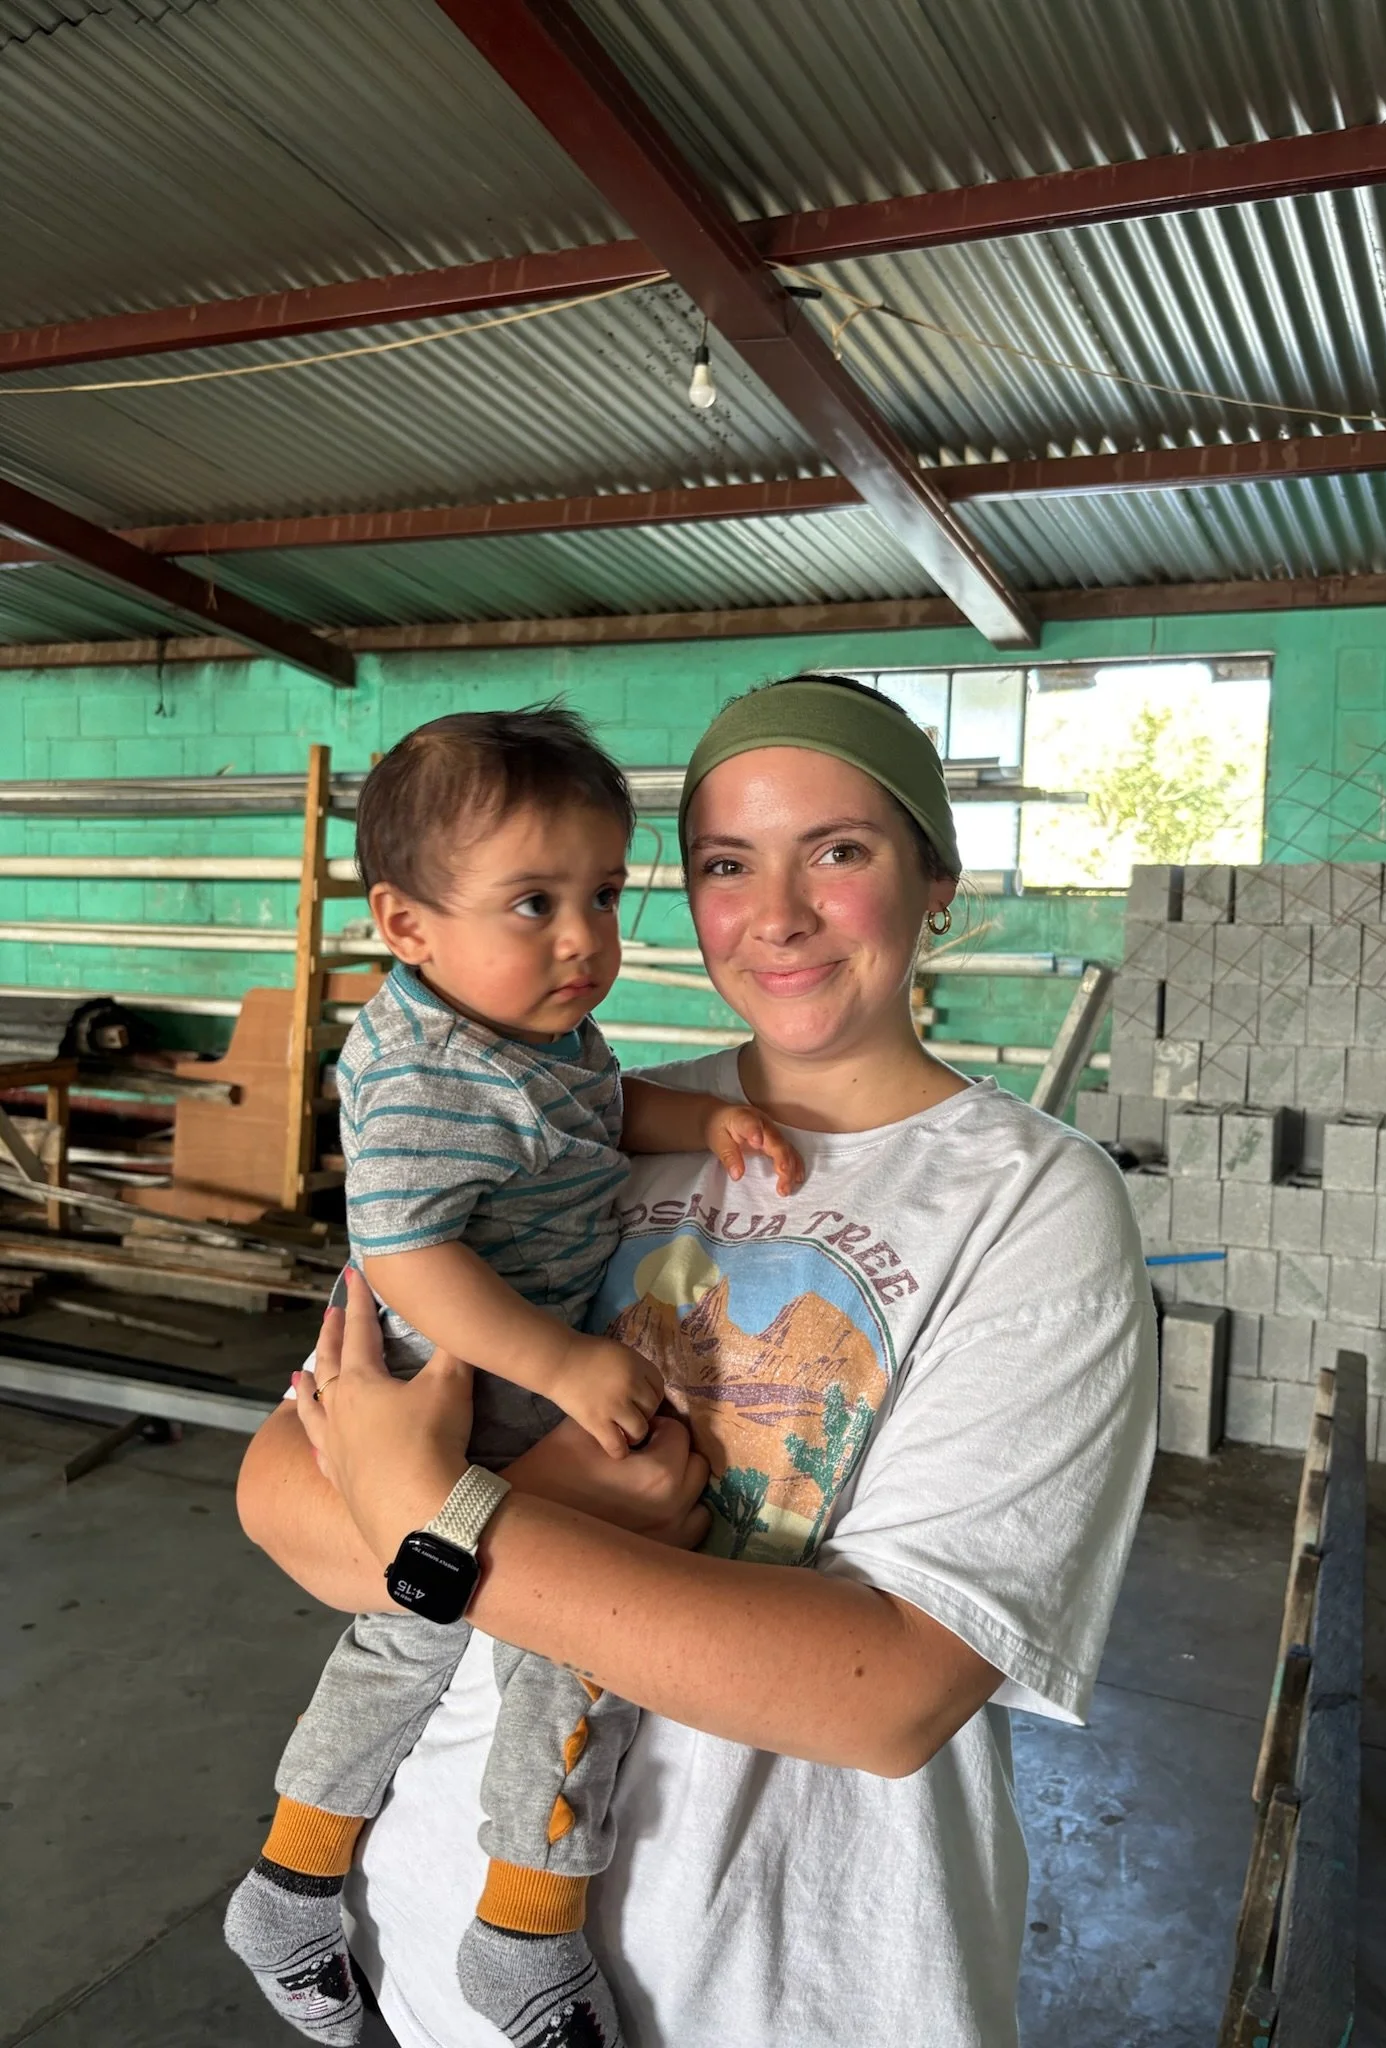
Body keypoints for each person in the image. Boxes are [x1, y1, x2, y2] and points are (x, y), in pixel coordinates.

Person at [238, 674, 1158, 2048]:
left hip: (795, 1991)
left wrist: (456, 1522)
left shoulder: (1030, 1204)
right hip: (427, 1960)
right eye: (728, 865)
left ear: (938, 879)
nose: (776, 912)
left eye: (838, 851)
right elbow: (288, 1493)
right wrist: (471, 1510)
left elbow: (895, 1693)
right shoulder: (569, 1120)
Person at [226, 708, 801, 2048]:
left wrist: (700, 1118)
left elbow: (600, 1120)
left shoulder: (538, 1042)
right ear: (405, 924)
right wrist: (565, 1365)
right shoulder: (428, 1068)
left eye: (603, 895)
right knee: (579, 1636)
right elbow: (409, 1258)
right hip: (472, 1388)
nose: (583, 939)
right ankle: (525, 1939)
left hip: (486, 1401)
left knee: (403, 1642)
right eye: (533, 902)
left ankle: (294, 1878)